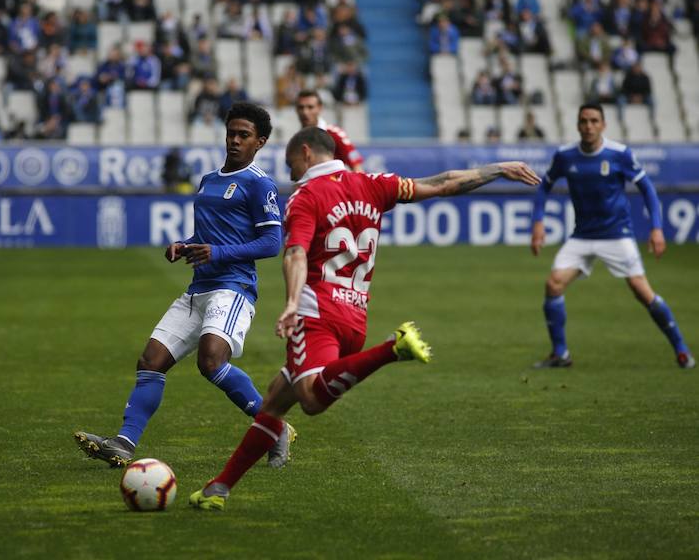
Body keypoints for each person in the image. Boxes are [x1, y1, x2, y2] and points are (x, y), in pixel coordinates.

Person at [189, 126, 541, 510]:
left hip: (317, 313)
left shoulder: (307, 195)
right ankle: (218, 489)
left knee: (309, 398)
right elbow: (443, 184)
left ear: (305, 153)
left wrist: (291, 303)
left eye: (291, 164)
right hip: (355, 316)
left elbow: (294, 253)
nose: (290, 173)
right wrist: (497, 169)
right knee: (276, 399)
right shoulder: (373, 184)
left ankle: (393, 348)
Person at [75, 103, 295, 467]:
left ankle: (275, 427)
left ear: (260, 142)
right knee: (151, 360)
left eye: (244, 136)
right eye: (231, 133)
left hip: (233, 287)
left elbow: (272, 242)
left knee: (211, 361)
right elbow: (209, 236)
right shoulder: (210, 179)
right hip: (198, 289)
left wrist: (218, 252)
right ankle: (124, 443)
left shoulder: (260, 184)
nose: (235, 141)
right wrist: (185, 244)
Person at [530, 103, 694, 370]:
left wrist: (656, 227)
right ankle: (560, 354)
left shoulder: (619, 154)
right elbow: (544, 186)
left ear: (603, 125)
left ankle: (681, 349)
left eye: (594, 121)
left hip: (617, 234)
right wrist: (538, 222)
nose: (589, 126)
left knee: (642, 292)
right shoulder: (565, 156)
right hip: (582, 236)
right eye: (583, 121)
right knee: (553, 284)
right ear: (577, 125)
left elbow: (648, 189)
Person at [295, 89, 364, 172]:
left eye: (310, 107)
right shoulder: (297, 140)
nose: (305, 112)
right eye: (301, 107)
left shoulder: (335, 134)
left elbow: (357, 168)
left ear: (319, 108)